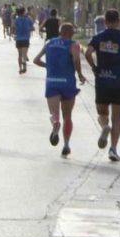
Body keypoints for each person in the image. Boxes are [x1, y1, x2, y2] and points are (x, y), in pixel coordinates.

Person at [85, 9, 120, 162]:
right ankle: (113, 149)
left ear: (106, 22)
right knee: (117, 119)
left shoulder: (98, 37)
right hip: (119, 82)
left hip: (102, 80)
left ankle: (104, 127)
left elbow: (88, 53)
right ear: (119, 21)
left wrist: (94, 68)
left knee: (102, 114)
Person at [34, 23, 87, 157]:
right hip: (68, 83)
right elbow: (76, 59)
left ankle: (55, 124)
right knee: (68, 116)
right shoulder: (73, 44)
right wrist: (79, 74)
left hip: (52, 82)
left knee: (54, 114)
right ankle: (66, 145)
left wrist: (48, 66)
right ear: (72, 33)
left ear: (59, 32)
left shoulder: (49, 43)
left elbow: (36, 60)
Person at [14, 7, 34, 74]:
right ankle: (24, 66)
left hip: (18, 39)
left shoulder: (16, 20)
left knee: (19, 55)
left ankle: (20, 68)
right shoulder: (28, 19)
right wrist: (28, 29)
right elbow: (32, 28)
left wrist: (15, 33)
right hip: (25, 39)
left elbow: (13, 27)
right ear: (23, 12)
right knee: (24, 54)